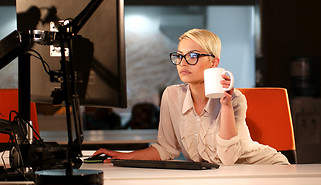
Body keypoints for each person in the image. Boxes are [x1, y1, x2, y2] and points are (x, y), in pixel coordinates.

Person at [93, 29, 289, 165]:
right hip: (219, 178)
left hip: (262, 169)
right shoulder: (171, 95)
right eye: (179, 56)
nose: (183, 63)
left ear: (214, 62)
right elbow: (167, 150)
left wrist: (226, 105)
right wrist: (122, 156)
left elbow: (228, 159)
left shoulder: (235, 99)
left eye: (193, 56)